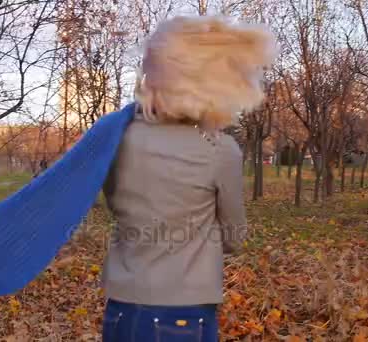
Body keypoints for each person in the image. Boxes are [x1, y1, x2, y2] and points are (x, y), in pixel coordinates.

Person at [100, 16, 276, 342]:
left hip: (120, 309)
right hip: (184, 312)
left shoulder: (116, 136)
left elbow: (115, 205)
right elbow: (234, 237)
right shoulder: (219, 149)